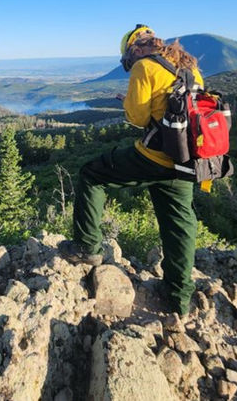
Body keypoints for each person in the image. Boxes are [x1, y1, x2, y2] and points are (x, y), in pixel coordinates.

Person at [59, 24, 203, 316]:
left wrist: (127, 103)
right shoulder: (187, 64)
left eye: (128, 57)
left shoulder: (144, 67)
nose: (129, 62)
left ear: (135, 49)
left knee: (92, 175)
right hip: (186, 159)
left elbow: (137, 117)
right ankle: (179, 298)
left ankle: (87, 246)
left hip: (154, 156)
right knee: (179, 224)